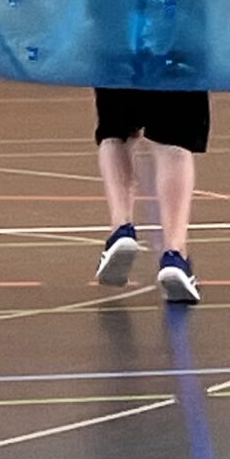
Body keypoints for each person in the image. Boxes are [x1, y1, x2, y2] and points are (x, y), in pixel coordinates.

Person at [93, 89, 205, 303]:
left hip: (117, 55)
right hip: (174, 58)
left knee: (114, 127)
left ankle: (121, 228)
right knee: (175, 137)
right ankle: (175, 254)